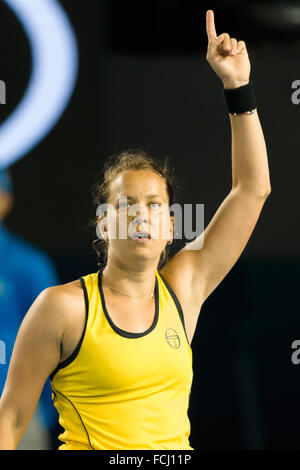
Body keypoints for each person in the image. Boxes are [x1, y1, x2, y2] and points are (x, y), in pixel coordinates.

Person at [0, 10, 271, 450]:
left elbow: (253, 190)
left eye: (155, 205)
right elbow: (10, 418)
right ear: (104, 224)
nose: (141, 215)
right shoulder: (63, 307)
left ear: (169, 227)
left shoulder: (184, 289)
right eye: (126, 205)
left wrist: (238, 86)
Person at [0, 169, 59, 448]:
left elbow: (54, 343)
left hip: (19, 413)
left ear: (6, 199)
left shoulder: (29, 265)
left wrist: (47, 414)